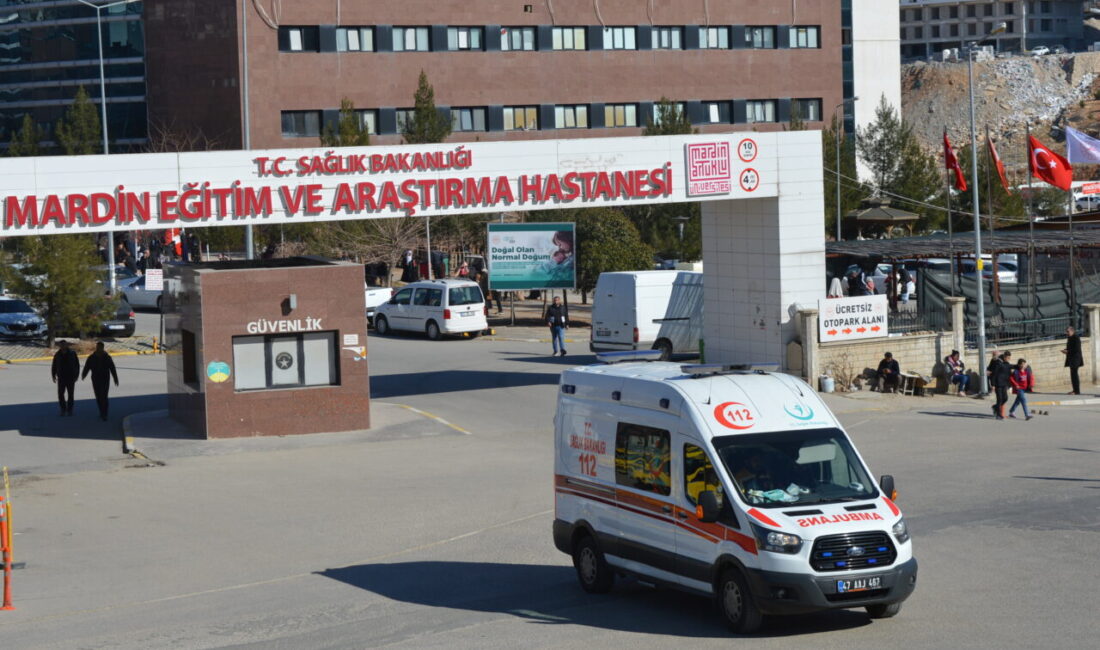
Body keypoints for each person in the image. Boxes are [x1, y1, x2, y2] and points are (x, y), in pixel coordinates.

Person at [81, 342, 119, 421]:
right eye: (98, 347)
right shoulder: (91, 357)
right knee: (98, 396)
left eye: (100, 348)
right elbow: (87, 367)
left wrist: (115, 378)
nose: (99, 349)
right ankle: (101, 411)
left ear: (103, 348)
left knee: (104, 397)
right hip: (95, 379)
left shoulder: (107, 357)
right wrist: (84, 374)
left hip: (105, 379)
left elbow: (112, 368)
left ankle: (105, 413)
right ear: (96, 348)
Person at [51, 340, 80, 416]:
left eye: (64, 345)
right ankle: (63, 409)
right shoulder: (57, 354)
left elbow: (77, 365)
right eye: (61, 345)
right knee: (60, 394)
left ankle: (70, 410)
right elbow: (54, 365)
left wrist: (76, 375)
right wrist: (53, 375)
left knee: (70, 394)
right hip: (61, 377)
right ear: (60, 346)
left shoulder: (72, 354)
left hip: (70, 377)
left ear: (67, 345)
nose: (63, 346)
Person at [989, 350, 1012, 419]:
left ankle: (995, 407)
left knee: (1005, 398)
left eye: (1009, 358)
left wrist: (1009, 385)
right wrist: (993, 384)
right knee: (999, 399)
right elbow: (992, 372)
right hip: (997, 383)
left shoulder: (1005, 362)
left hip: (1004, 383)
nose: (1008, 359)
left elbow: (1007, 373)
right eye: (993, 355)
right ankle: (998, 414)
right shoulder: (996, 362)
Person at [1062, 326, 1083, 395]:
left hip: (1076, 359)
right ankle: (1075, 390)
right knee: (1073, 375)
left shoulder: (1076, 338)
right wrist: (1065, 350)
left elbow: (1076, 349)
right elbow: (1070, 347)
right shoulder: (1070, 338)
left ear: (1072, 331)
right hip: (1071, 359)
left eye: (1068, 331)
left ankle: (1077, 391)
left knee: (1074, 375)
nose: (1067, 333)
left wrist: (1067, 351)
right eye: (1066, 331)